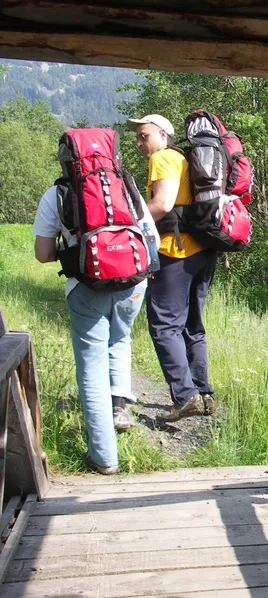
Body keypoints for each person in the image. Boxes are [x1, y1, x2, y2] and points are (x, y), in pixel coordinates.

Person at [33, 172, 150, 476]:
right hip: (132, 283)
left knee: (91, 366)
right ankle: (119, 407)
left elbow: (43, 254)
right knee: (121, 339)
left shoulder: (56, 194)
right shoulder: (125, 184)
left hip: (85, 286)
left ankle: (104, 456)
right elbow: (152, 237)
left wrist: (70, 250)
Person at [127, 114, 217, 421]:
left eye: (144, 136)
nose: (140, 143)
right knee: (192, 326)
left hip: (176, 251)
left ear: (163, 135)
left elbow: (163, 204)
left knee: (165, 326)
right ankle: (203, 395)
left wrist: (129, 223)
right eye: (138, 137)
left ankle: (184, 396)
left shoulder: (163, 158)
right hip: (203, 250)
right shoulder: (186, 159)